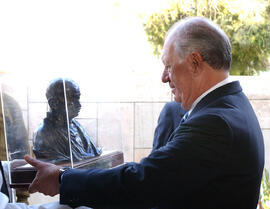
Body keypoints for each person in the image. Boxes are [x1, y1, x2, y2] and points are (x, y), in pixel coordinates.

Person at [24, 16, 264, 209]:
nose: (163, 77)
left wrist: (62, 179)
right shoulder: (231, 105)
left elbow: (145, 182)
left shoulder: (214, 122)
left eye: (168, 66)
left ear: (194, 63)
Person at [33, 78, 101, 163]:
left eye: (78, 98)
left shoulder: (76, 126)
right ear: (54, 103)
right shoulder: (43, 134)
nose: (79, 105)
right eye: (73, 99)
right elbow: (58, 164)